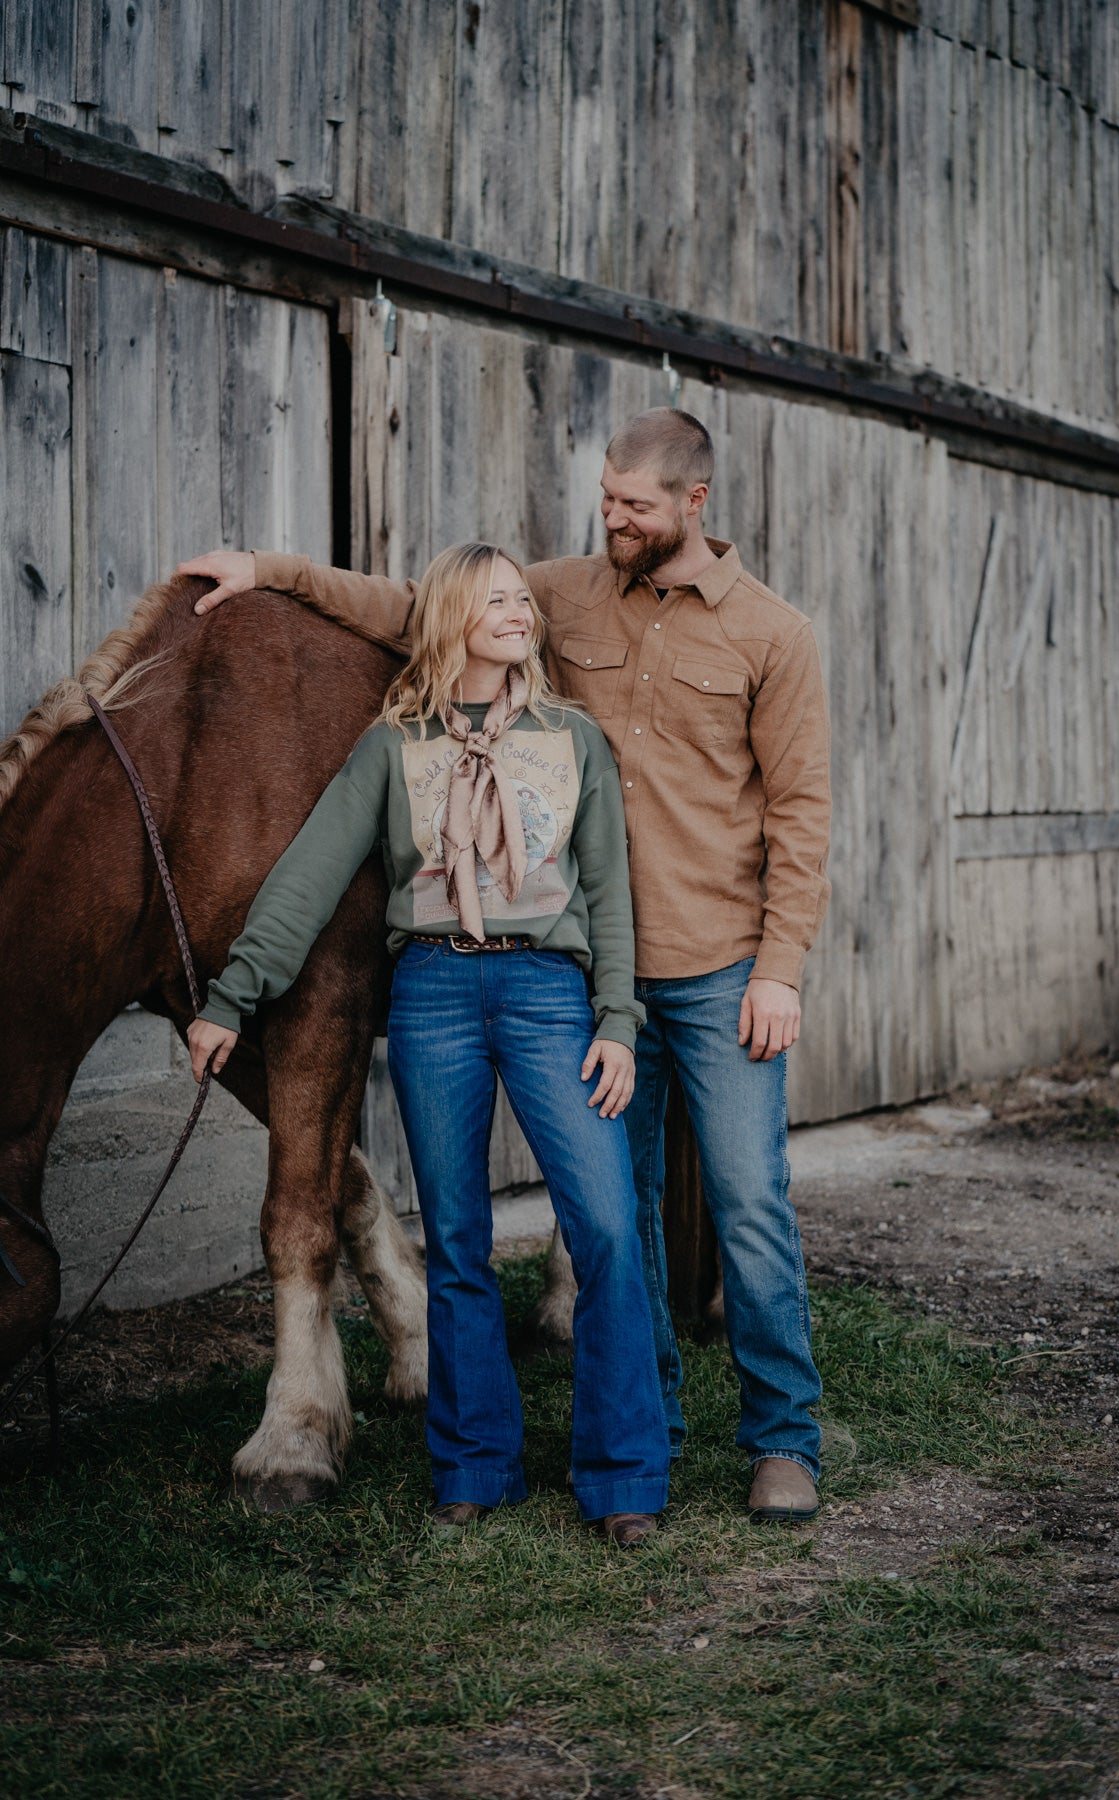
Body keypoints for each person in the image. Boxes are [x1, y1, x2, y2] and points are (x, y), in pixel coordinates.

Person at [178, 406, 831, 1524]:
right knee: (558, 1222)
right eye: (607, 500)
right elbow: (406, 615)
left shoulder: (769, 637)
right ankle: (605, 1439)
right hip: (513, 986)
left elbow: (799, 811)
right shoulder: (531, 625)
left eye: (634, 505)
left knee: (731, 1206)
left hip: (691, 970)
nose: (611, 520)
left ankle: (772, 1440)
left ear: (693, 505)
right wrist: (267, 569)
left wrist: (774, 967)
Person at [186, 542, 670, 1547]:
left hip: (549, 996)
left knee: (609, 1227)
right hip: (435, 997)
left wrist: (617, 1023)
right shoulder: (391, 749)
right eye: (496, 600)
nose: (520, 614)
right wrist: (232, 998)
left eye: (522, 603)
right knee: (457, 1245)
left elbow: (613, 896)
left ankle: (623, 1475)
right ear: (452, 616)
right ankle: (474, 1465)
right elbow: (308, 880)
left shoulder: (573, 741)